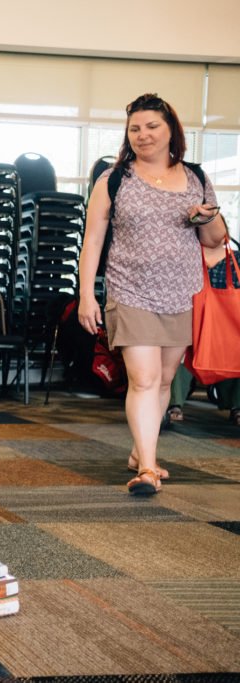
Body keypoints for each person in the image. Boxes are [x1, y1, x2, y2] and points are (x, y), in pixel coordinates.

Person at [78, 93, 227, 495]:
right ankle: (146, 468)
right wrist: (87, 294)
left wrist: (206, 217)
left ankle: (141, 451)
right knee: (143, 380)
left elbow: (216, 239)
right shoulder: (114, 179)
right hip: (130, 291)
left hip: (182, 293)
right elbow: (92, 241)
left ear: (170, 130)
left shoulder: (196, 177)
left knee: (163, 380)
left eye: (151, 126)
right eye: (135, 129)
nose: (143, 135)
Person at [166, 239, 240, 426]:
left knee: (233, 349)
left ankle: (236, 405)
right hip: (195, 320)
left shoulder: (235, 259)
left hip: (223, 321)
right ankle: (174, 403)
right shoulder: (188, 257)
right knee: (179, 350)